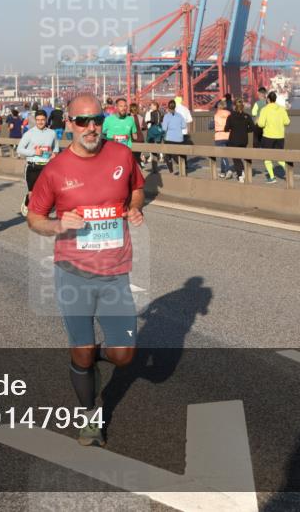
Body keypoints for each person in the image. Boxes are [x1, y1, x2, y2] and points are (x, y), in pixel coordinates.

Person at [26, 92, 145, 448]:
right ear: (69, 125)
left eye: (97, 119)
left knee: (124, 356)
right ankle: (89, 416)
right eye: (82, 121)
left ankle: (94, 357)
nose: (92, 127)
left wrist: (135, 209)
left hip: (115, 271)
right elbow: (34, 219)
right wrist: (59, 225)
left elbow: (136, 190)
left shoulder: (121, 154)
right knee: (81, 350)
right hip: (73, 271)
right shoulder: (56, 170)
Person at [17, 110, 60, 217]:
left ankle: (42, 212)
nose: (40, 122)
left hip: (46, 166)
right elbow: (19, 149)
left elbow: (56, 148)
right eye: (38, 120)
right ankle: (27, 200)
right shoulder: (29, 133)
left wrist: (54, 153)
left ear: (46, 120)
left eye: (42, 120)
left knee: (49, 193)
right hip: (32, 166)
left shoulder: (52, 133)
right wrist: (34, 152)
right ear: (35, 120)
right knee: (32, 193)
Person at [257, 91, 291, 184]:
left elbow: (261, 124)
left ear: (268, 99)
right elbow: (287, 122)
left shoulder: (264, 109)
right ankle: (289, 173)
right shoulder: (282, 109)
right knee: (280, 157)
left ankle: (272, 177)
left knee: (267, 158)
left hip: (268, 136)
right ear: (275, 99)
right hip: (280, 137)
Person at [223, 98, 255, 182]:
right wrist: (245, 130)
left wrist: (230, 128)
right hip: (244, 140)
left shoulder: (231, 116)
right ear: (243, 106)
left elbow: (226, 129)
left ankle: (241, 174)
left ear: (234, 106)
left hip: (234, 140)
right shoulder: (247, 116)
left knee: (236, 158)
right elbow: (252, 128)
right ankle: (242, 171)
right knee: (240, 156)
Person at [161, 100, 186, 174]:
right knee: (177, 154)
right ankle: (182, 167)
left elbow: (164, 128)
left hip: (169, 138)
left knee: (167, 156)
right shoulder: (180, 116)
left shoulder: (166, 116)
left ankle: (171, 171)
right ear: (175, 107)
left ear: (168, 107)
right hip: (179, 139)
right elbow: (184, 126)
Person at [212, 100, 232, 178]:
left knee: (222, 154)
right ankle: (222, 172)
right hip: (228, 135)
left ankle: (228, 169)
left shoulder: (216, 114)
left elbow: (210, 126)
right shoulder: (229, 113)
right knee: (223, 154)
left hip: (219, 136)